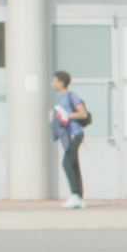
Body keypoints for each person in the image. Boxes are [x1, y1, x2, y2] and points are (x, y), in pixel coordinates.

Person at [50, 72, 90, 209]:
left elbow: (83, 113)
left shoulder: (71, 96)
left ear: (61, 83)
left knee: (67, 163)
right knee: (73, 164)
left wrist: (66, 115)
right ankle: (79, 197)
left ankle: (75, 195)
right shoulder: (60, 99)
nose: (52, 84)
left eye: (54, 81)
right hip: (69, 136)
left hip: (76, 134)